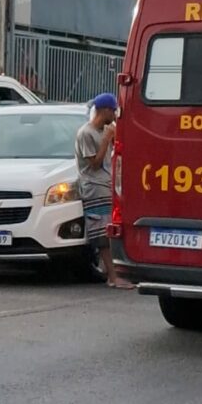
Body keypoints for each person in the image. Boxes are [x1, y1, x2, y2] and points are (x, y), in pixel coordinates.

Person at [75, 93, 133, 289]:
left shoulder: (104, 131)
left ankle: (117, 273)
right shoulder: (86, 133)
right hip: (94, 187)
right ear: (104, 110)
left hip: (107, 185)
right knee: (102, 234)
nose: (115, 114)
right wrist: (107, 139)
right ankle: (112, 276)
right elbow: (94, 163)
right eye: (113, 110)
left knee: (111, 230)